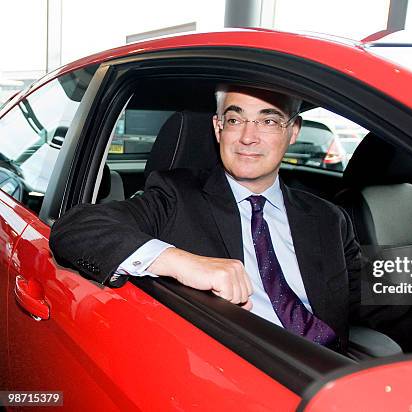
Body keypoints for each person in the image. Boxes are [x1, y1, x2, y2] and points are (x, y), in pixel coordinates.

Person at [49, 85, 362, 353]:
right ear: (218, 128)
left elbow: (376, 301)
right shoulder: (176, 196)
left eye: (268, 120)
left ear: (293, 131)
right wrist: (183, 262)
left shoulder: (329, 218)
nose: (248, 137)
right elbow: (75, 228)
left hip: (336, 376)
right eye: (235, 119)